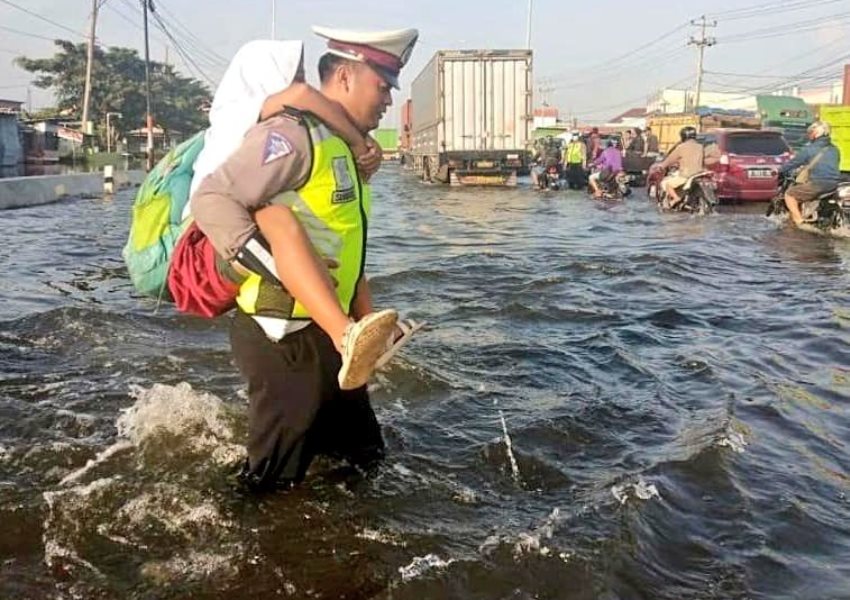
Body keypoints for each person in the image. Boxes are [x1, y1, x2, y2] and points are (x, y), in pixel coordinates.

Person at [191, 25, 420, 491]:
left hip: (330, 337)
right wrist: (273, 267)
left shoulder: (347, 152)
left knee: (363, 459)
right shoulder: (294, 135)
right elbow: (212, 198)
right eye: (383, 86)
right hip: (283, 338)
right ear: (345, 77)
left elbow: (346, 249)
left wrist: (371, 324)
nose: (388, 101)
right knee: (272, 482)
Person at [778, 120, 841, 226]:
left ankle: (799, 221)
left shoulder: (810, 149)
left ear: (816, 134)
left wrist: (779, 170)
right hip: (834, 183)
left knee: (790, 195)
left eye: (810, 133)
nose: (809, 135)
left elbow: (794, 162)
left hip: (818, 183)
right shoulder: (834, 149)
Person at [656, 126, 716, 207]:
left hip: (686, 175)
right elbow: (708, 157)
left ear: (683, 136)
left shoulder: (681, 147)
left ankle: (676, 198)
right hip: (699, 173)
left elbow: (670, 159)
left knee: (667, 184)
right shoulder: (700, 147)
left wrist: (662, 166)